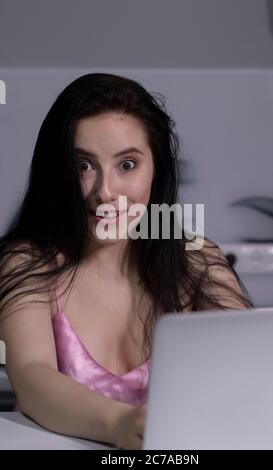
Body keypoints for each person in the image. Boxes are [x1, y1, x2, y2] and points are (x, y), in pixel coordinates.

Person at [0, 73, 253, 450]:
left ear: (157, 170)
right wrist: (121, 424)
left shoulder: (196, 259)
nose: (105, 191)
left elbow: (254, 364)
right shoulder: (27, 262)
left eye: (128, 165)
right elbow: (32, 377)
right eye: (83, 165)